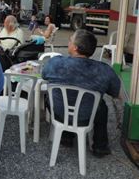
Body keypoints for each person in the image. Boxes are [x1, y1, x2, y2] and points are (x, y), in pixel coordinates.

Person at [42, 29, 121, 157]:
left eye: (70, 40)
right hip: (87, 117)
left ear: (75, 47)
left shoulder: (55, 63)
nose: (68, 42)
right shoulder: (104, 70)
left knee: (48, 96)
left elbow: (44, 75)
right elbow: (115, 92)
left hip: (60, 114)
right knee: (101, 106)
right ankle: (100, 147)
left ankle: (66, 136)